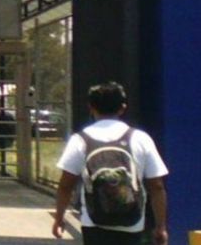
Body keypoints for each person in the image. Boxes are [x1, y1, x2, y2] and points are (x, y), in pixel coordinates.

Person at [52, 82, 169, 245]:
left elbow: (66, 185)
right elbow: (157, 186)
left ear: (91, 107)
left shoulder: (80, 140)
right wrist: (161, 226)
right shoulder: (141, 139)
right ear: (123, 108)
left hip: (94, 223)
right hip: (132, 223)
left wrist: (59, 218)